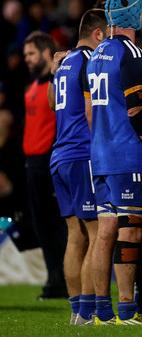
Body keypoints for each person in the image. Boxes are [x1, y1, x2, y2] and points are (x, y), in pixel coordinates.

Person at [86, 0, 142, 325]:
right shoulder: (133, 53)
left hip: (98, 154)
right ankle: (126, 310)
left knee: (104, 230)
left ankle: (101, 312)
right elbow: (136, 108)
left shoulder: (97, 52)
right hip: (126, 154)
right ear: (135, 17)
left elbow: (90, 111)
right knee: (130, 230)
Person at [48, 9, 108, 324]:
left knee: (76, 234)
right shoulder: (89, 61)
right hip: (81, 153)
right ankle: (88, 310)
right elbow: (91, 112)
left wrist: (52, 72)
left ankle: (76, 311)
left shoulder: (64, 63)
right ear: (98, 34)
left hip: (59, 155)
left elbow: (51, 104)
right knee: (97, 233)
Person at [22, 31, 68, 300]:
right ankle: (54, 280)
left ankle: (62, 282)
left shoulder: (57, 83)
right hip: (31, 163)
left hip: (49, 160)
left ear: (45, 52)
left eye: (31, 54)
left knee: (58, 225)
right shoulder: (31, 86)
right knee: (42, 227)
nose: (26, 59)